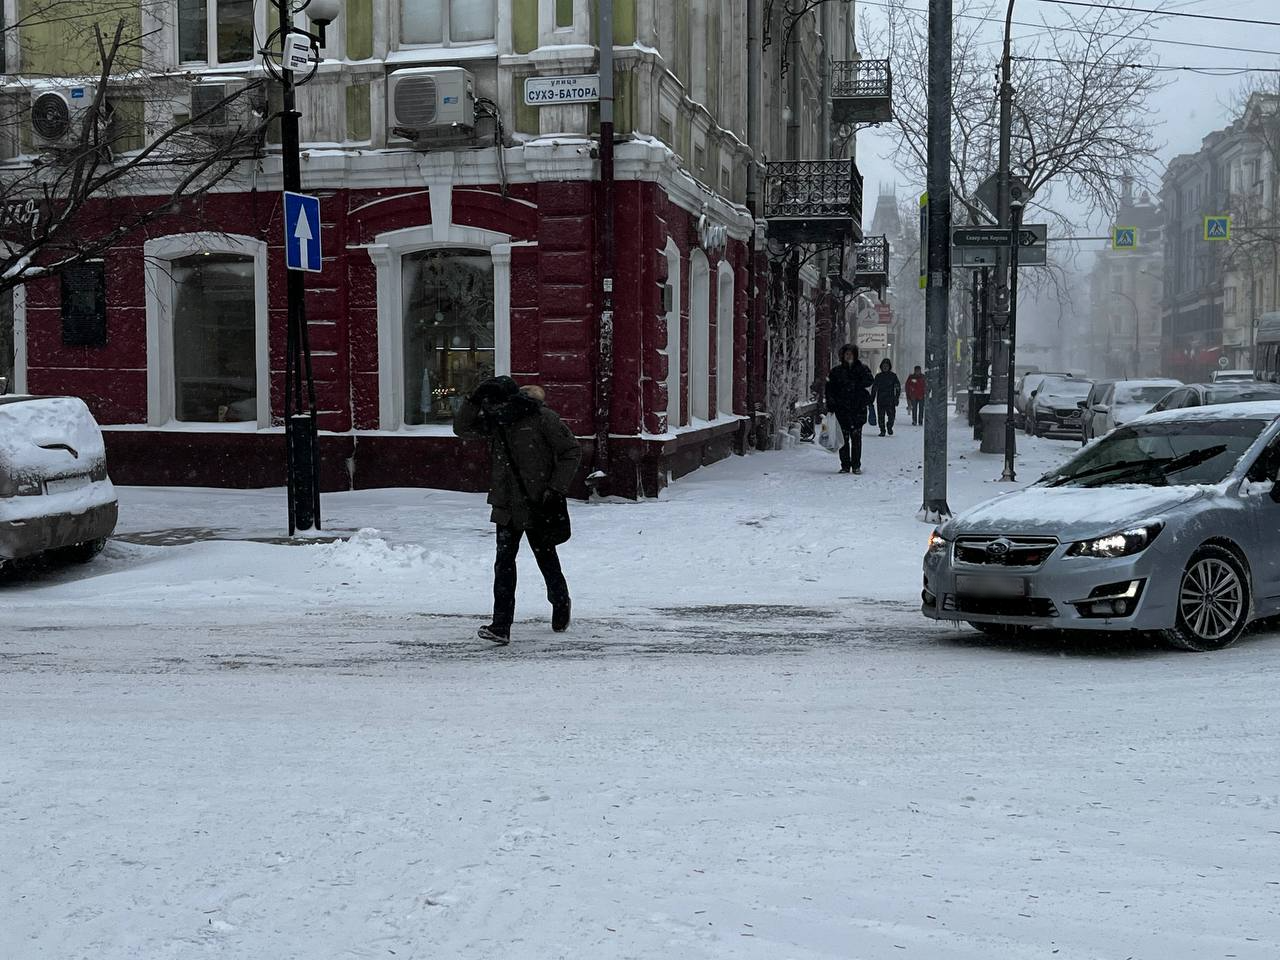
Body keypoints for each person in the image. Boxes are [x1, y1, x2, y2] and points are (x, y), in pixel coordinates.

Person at [454, 377, 582, 645]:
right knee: (504, 564)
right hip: (506, 505)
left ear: (506, 401)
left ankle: (560, 601)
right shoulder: (496, 421)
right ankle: (501, 626)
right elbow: (462, 428)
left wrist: (555, 489)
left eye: (490, 403)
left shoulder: (542, 418)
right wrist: (472, 400)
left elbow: (571, 451)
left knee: (545, 558)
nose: (487, 409)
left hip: (538, 503)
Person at [824, 344, 874, 474]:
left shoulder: (862, 369)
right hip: (842, 409)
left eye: (851, 354)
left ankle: (856, 465)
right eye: (846, 354)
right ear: (843, 355)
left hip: (857, 409)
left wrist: (857, 380)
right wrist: (831, 404)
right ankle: (845, 465)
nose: (849, 356)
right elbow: (829, 389)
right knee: (843, 439)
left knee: (856, 439)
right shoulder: (836, 372)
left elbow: (869, 381)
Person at [873, 358, 902, 436]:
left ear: (889, 367)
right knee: (881, 417)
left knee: (891, 416)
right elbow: (874, 388)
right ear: (881, 367)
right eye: (884, 366)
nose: (885, 367)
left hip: (890, 400)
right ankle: (882, 430)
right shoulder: (878, 376)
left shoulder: (893, 376)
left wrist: (896, 397)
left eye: (887, 366)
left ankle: (889, 426)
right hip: (881, 400)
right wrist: (872, 398)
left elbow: (898, 387)